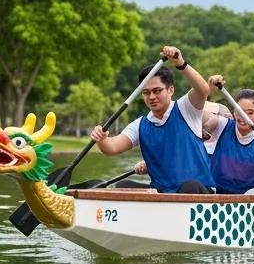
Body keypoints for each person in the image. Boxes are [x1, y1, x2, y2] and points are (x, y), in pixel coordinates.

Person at [91, 46, 216, 194]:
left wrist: (180, 63)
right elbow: (111, 148)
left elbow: (203, 89)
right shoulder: (140, 125)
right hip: (162, 197)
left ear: (170, 90)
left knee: (189, 186)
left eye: (157, 91)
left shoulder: (186, 108)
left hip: (199, 196)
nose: (151, 97)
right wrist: (102, 139)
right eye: (146, 92)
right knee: (124, 186)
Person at [203, 79, 254, 194]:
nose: (243, 117)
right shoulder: (222, 125)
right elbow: (196, 113)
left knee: (253, 193)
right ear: (234, 112)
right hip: (219, 194)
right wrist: (207, 88)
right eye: (240, 111)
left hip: (252, 199)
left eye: (250, 113)